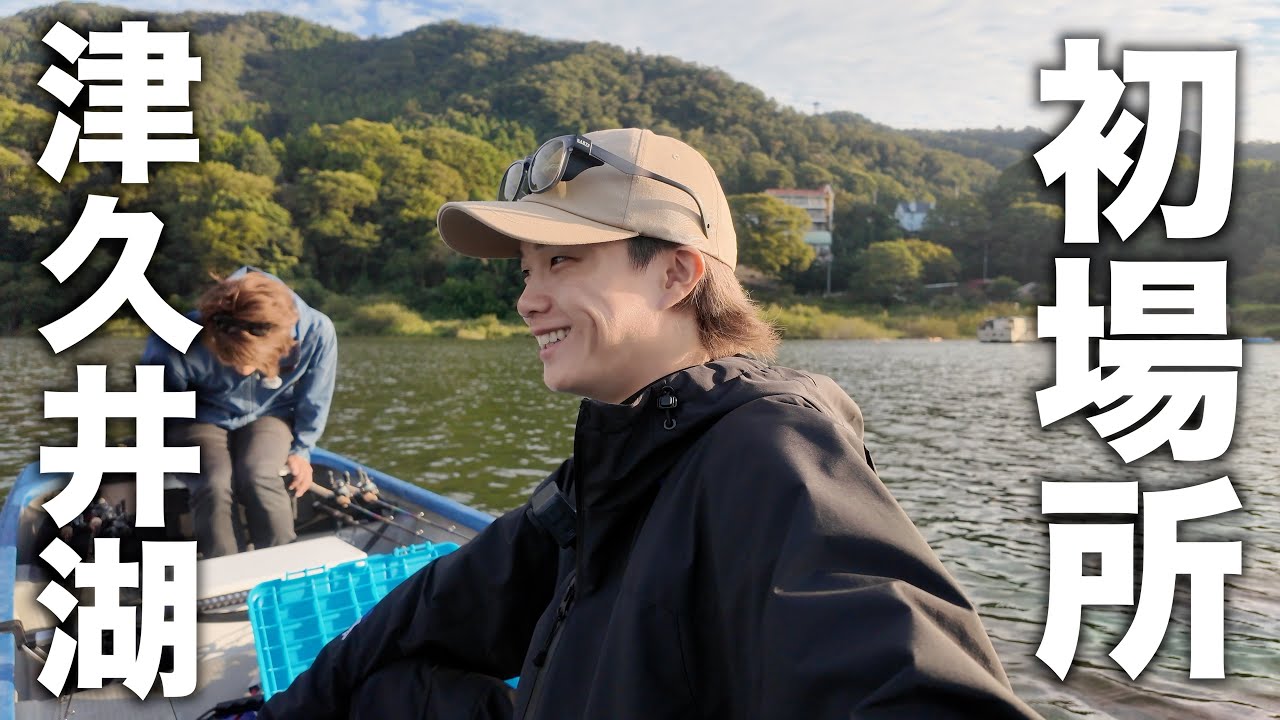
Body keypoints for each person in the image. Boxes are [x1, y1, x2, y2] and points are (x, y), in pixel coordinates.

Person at [260, 129, 1040, 718]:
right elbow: (439, 604)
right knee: (387, 687)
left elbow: (909, 681)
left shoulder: (770, 448)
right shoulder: (621, 457)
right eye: (527, 270)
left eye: (563, 261)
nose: (527, 299)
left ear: (677, 273)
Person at [142, 267, 337, 558]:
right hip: (198, 416)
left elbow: (315, 398)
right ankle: (224, 571)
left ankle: (283, 569)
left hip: (270, 413)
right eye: (230, 359)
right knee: (214, 481)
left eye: (253, 361)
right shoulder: (174, 340)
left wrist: (301, 449)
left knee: (259, 474)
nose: (244, 371)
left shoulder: (317, 332)